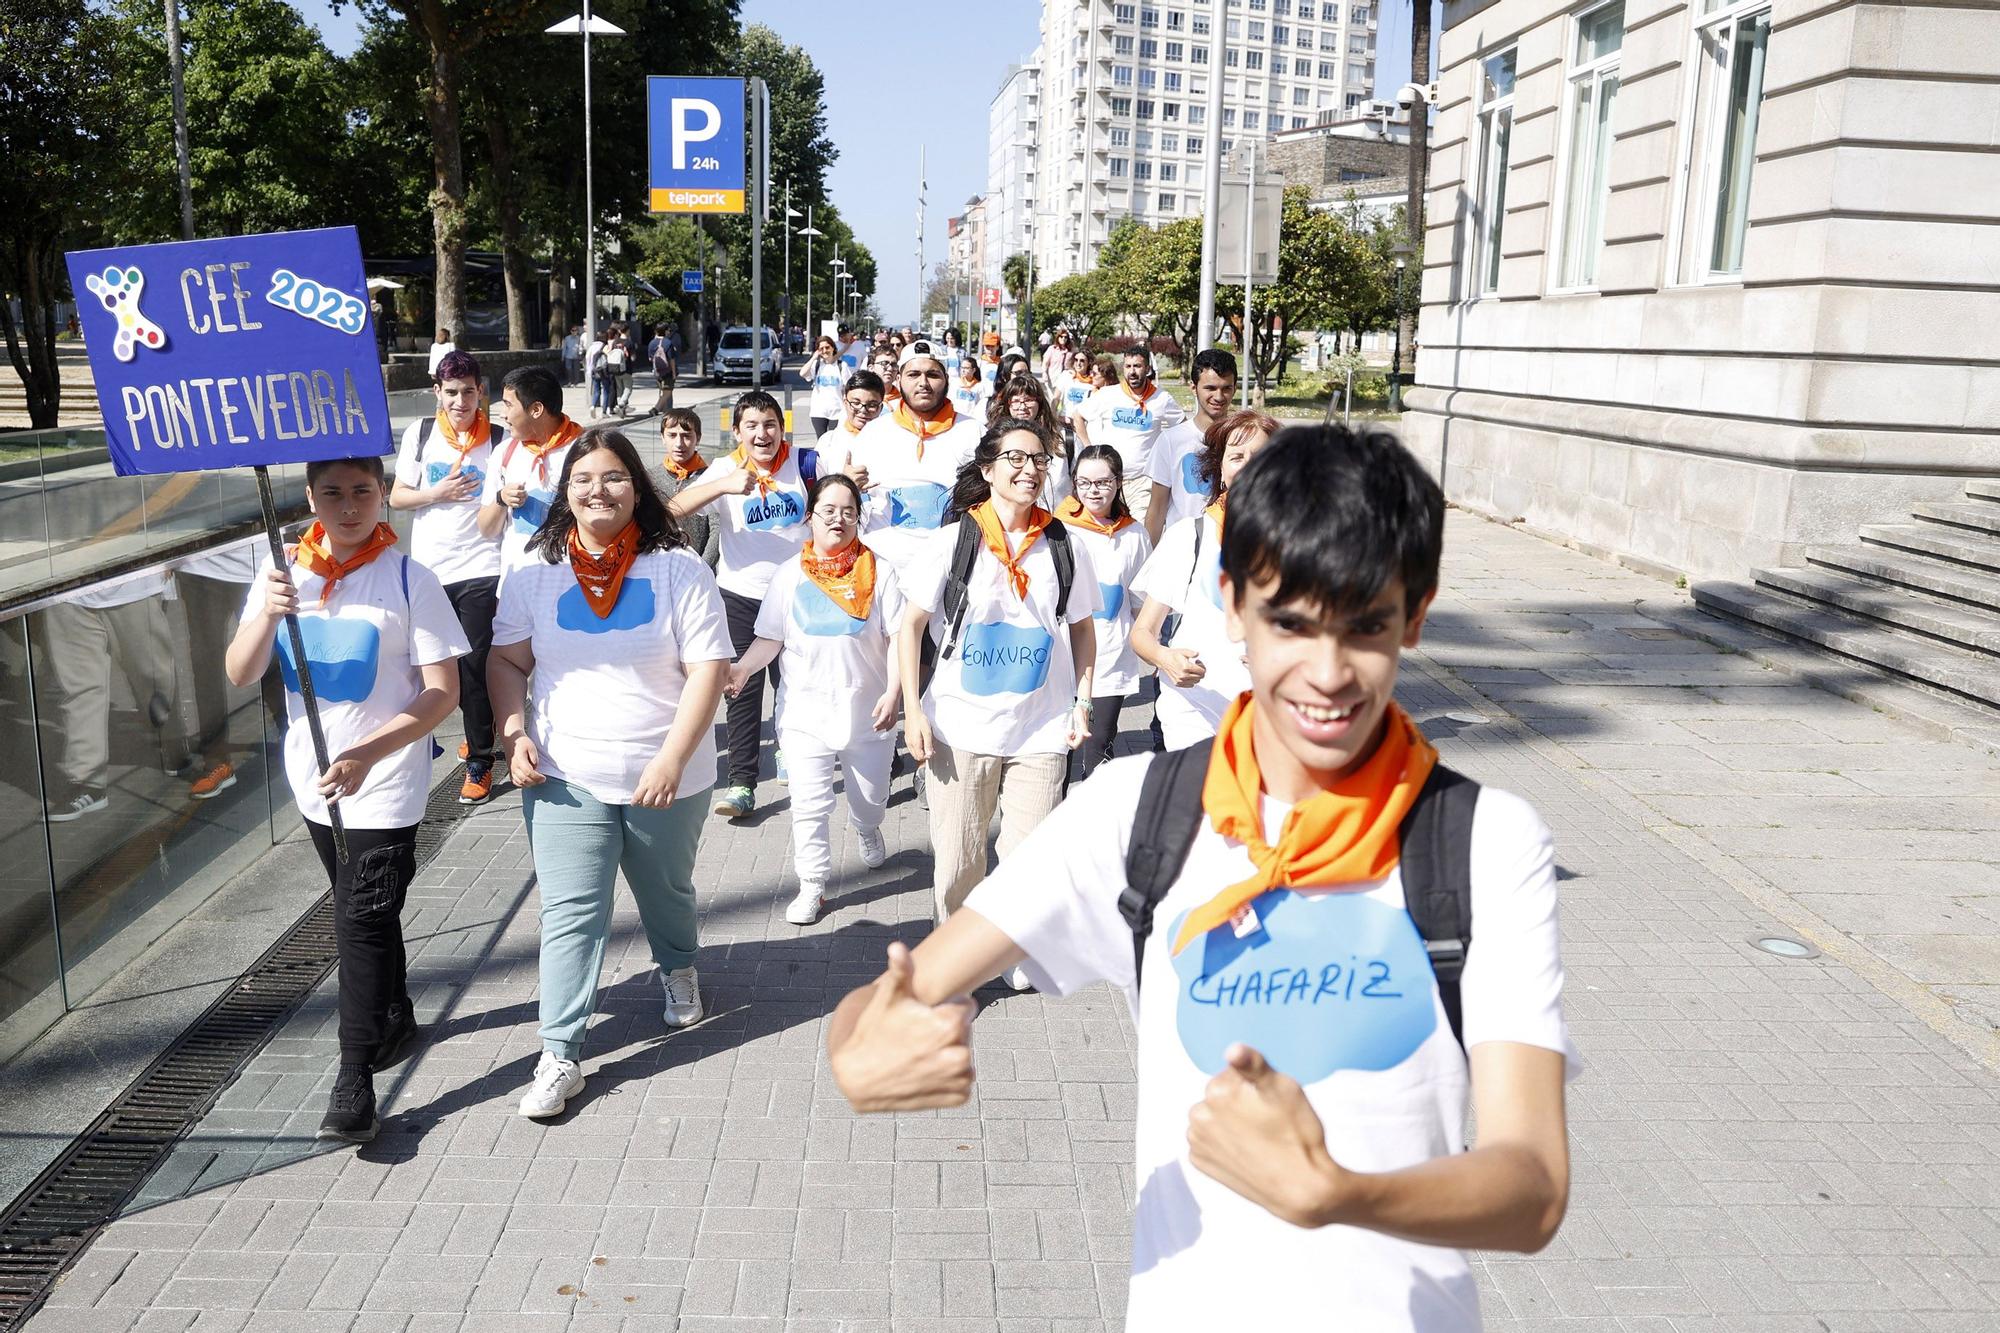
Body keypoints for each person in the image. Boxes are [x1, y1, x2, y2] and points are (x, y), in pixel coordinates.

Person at [826, 425, 1576, 1329]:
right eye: (1290, 621)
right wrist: (859, 1051)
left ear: (1415, 615)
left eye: (1367, 624)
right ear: (1230, 604)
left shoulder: (1483, 841)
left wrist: (1341, 1193)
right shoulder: (1137, 812)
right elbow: (893, 999)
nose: (1328, 673)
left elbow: (1532, 1186)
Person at [488, 429, 732, 1120]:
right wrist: (514, 735)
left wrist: (671, 757)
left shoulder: (678, 568)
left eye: (615, 477)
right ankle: (559, 1052)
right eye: (584, 479)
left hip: (667, 775)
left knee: (667, 891)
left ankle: (678, 966)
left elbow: (708, 669)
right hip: (565, 774)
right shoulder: (535, 571)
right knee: (570, 914)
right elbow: (506, 662)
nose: (599, 490)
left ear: (637, 487)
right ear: (565, 493)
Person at [225, 455, 468, 1143]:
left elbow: (440, 692)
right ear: (309, 497)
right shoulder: (285, 574)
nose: (349, 505)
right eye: (331, 492)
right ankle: (393, 1010)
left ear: (383, 495)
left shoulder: (407, 578)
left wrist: (369, 752)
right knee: (367, 906)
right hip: (313, 778)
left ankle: (354, 1075)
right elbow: (240, 672)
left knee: (356, 918)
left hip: (385, 779)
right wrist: (265, 616)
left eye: (363, 490)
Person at [897, 419, 1099, 983]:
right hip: (959, 729)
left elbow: (1082, 628)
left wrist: (1082, 700)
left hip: (1039, 727)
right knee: (959, 863)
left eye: (1039, 460)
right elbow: (908, 628)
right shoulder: (953, 542)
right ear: (988, 471)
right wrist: (913, 712)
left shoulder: (1064, 544)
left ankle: (1009, 948)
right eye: (1015, 458)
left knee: (1029, 858)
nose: (1029, 469)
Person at [726, 474, 901, 926]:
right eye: (828, 510)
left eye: (848, 511)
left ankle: (867, 826)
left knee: (871, 799)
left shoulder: (881, 571)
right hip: (804, 711)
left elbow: (901, 639)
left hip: (868, 712)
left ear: (859, 519)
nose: (838, 519)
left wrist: (895, 692)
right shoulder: (789, 576)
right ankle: (813, 884)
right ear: (810, 517)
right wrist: (744, 668)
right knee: (809, 803)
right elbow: (770, 638)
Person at [667, 390, 810, 821]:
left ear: (781, 427)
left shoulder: (805, 463)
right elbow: (671, 510)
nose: (762, 433)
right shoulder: (724, 469)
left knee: (795, 683)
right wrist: (724, 484)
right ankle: (742, 782)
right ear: (737, 432)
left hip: (798, 594)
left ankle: (790, 751)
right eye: (751, 425)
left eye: (770, 424)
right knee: (740, 691)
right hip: (740, 596)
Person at [390, 349, 509, 802]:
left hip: (484, 565)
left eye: (469, 392)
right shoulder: (420, 435)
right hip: (429, 569)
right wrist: (435, 492)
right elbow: (398, 498)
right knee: (428, 664)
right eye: (452, 393)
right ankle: (466, 734)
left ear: (482, 393)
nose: (461, 402)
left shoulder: (498, 439)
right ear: (437, 393)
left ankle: (481, 758)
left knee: (473, 665)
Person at [1129, 409, 1278, 749]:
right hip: (1193, 708)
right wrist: (1165, 659)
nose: (1248, 465)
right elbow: (1142, 633)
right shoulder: (1189, 535)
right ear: (1221, 470)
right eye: (1237, 456)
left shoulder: (1300, 544)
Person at [36, 571, 198, 819]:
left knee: (153, 678)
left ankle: (173, 740)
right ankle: (87, 781)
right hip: (64, 587)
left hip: (131, 582)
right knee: (80, 690)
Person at [1056, 444, 1151, 785]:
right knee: (1057, 754)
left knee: (1098, 748)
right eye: (1084, 483)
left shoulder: (1134, 534)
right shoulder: (1058, 530)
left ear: (1118, 482)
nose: (1093, 491)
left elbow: (1140, 600)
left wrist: (1149, 646)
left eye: (1102, 482)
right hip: (1063, 661)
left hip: (1111, 660)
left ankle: (1094, 827)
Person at [843, 343, 985, 565]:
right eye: (913, 374)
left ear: (946, 379)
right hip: (883, 566)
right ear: (899, 379)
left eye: (932, 374)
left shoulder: (973, 432)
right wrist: (848, 486)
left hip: (950, 566)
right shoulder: (873, 433)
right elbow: (846, 502)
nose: (923, 383)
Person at [480, 365, 586, 584]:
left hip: (572, 584)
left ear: (536, 409)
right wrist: (501, 500)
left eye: (509, 405)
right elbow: (486, 529)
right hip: (516, 587)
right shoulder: (504, 452)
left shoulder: (586, 451)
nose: (503, 414)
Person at [1073, 347, 1189, 522]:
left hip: (1142, 482)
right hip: (1107, 480)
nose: (1132, 372)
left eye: (1137, 366)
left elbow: (1182, 428)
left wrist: (1168, 458)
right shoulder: (1108, 394)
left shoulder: (1162, 399)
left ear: (1148, 369)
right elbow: (1078, 416)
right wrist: (1089, 448)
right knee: (1107, 528)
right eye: (1128, 366)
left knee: (1140, 529)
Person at [1146, 348, 1241, 545]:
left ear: (1235, 388)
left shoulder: (1244, 440)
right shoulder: (1171, 440)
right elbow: (1157, 508)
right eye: (1210, 388)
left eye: (1226, 388)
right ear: (1194, 388)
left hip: (1231, 550)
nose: (1219, 396)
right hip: (1182, 551)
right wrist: (1148, 561)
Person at [648, 407, 719, 570]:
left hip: (700, 567)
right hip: (659, 568)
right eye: (672, 435)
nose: (679, 443)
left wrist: (702, 567)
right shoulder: (650, 478)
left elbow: (717, 529)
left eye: (687, 436)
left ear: (698, 438)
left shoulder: (711, 478)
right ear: (662, 438)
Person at [986, 372, 1071, 506]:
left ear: (1040, 403)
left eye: (1028, 400)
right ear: (1007, 404)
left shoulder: (1066, 439)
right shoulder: (995, 440)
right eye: (1015, 401)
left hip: (1057, 521)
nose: (1022, 406)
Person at [803, 335, 847, 438]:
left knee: (834, 440)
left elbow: (847, 389)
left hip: (837, 411)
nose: (824, 351)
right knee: (821, 441)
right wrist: (814, 357)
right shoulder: (817, 365)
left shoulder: (841, 366)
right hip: (818, 411)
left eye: (827, 347)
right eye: (821, 348)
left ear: (833, 348)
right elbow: (802, 373)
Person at [949, 354, 990, 419]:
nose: (963, 370)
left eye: (966, 368)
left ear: (973, 370)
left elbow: (981, 405)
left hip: (971, 418)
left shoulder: (979, 386)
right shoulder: (955, 383)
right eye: (962, 367)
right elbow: (950, 400)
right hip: (955, 417)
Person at [648, 324, 677, 416]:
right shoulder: (668, 343)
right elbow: (671, 359)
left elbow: (650, 358)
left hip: (657, 371)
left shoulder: (652, 343)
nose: (669, 332)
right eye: (668, 330)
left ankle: (665, 412)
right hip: (667, 372)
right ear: (665, 331)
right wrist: (674, 373)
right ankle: (655, 409)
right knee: (667, 393)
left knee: (663, 391)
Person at [585, 326, 611, 419]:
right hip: (603, 371)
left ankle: (593, 406)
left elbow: (588, 359)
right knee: (606, 391)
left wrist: (589, 370)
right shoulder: (605, 346)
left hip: (594, 371)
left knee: (596, 391)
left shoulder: (591, 347)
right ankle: (604, 412)